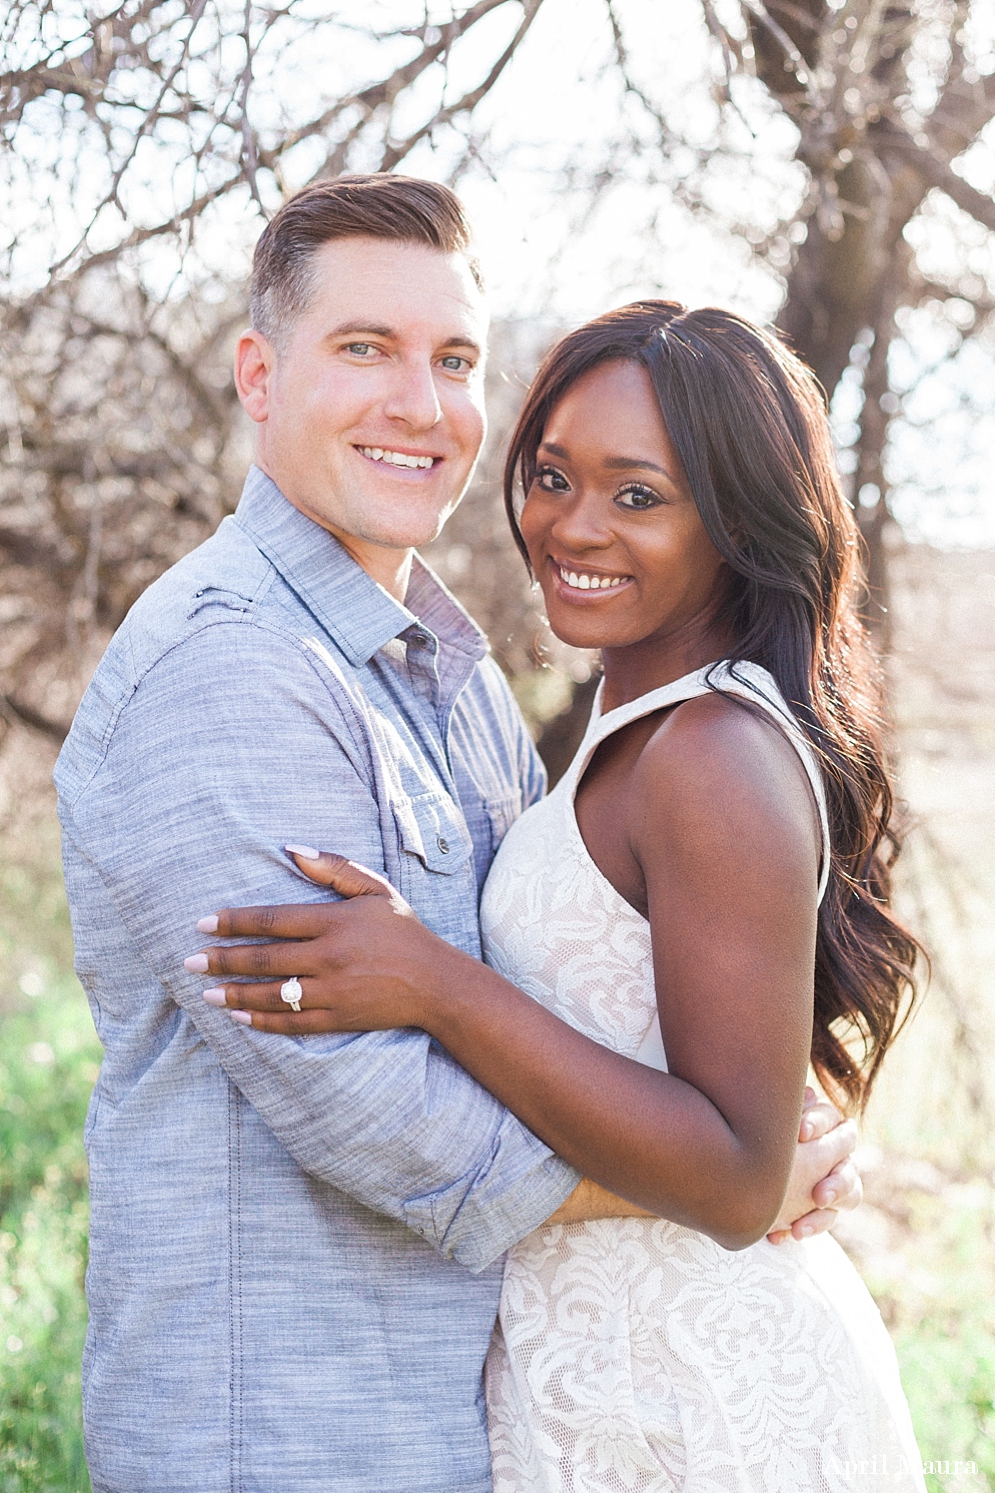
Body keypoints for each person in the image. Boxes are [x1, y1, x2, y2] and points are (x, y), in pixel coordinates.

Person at [56, 176, 858, 1492]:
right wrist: (731, 1175)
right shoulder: (224, 675)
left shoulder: (451, 675)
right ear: (260, 375)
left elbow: (567, 987)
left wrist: (765, 1113)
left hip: (484, 1419)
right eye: (363, 349)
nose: (418, 405)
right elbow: (374, 1110)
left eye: (453, 360)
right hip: (288, 1432)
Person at [190, 300, 926, 1490]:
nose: (571, 527)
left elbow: (737, 1178)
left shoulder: (709, 752)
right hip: (595, 1385)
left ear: (735, 517)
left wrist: (435, 984)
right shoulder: (632, 731)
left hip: (705, 1406)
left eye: (637, 494)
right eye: (548, 476)